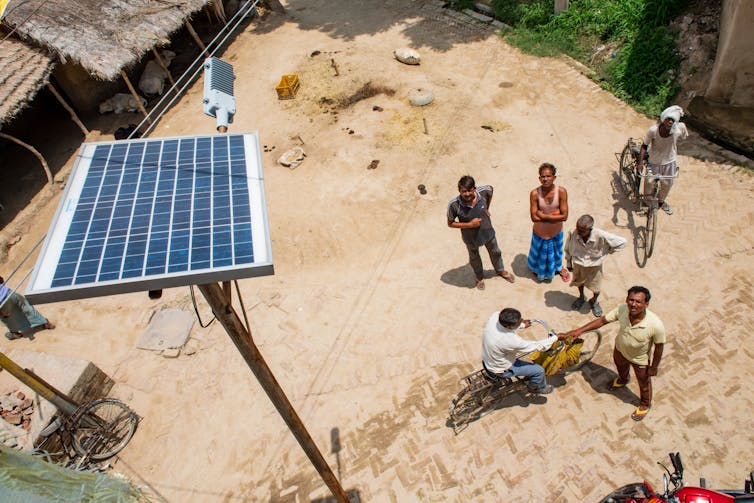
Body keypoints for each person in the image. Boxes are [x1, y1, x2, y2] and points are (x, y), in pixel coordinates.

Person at [562, 286, 664, 421]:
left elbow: (659, 347)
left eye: (638, 302)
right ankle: (623, 379)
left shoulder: (655, 324)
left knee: (644, 384)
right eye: (631, 300)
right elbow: (602, 321)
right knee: (621, 368)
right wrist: (579, 331)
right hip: (620, 350)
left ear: (646, 304)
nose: (633, 304)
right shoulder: (622, 309)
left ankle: (645, 404)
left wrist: (654, 367)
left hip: (640, 360)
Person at [447, 176, 515, 290]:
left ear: (475, 188)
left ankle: (500, 270)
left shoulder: (483, 192)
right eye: (464, 191)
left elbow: (490, 189)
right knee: (474, 257)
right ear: (459, 190)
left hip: (488, 231)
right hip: (470, 237)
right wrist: (469, 225)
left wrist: (486, 208)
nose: (467, 194)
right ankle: (479, 277)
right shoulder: (454, 205)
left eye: (470, 190)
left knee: (495, 252)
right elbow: (450, 223)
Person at [482, 308, 569, 394]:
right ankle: (537, 388)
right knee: (539, 371)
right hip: (502, 368)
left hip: (488, 358)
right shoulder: (511, 341)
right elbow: (537, 346)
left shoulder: (495, 316)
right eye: (519, 322)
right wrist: (556, 338)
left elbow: (507, 327)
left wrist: (522, 325)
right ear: (509, 326)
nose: (522, 320)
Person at [564, 215, 627, 317]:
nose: (578, 232)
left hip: (594, 267)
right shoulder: (573, 233)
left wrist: (607, 251)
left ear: (590, 229)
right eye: (578, 228)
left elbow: (622, 242)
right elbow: (567, 248)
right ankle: (581, 297)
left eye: (582, 230)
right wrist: (568, 263)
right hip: (578, 264)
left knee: (596, 287)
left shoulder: (600, 235)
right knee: (579, 282)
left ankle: (594, 301)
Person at [638, 105, 688, 215]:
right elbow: (644, 146)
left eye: (673, 120)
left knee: (668, 183)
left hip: (670, 161)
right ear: (663, 119)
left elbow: (683, 135)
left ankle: (661, 201)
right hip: (654, 161)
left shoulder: (679, 129)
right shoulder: (653, 130)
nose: (670, 122)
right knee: (649, 182)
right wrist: (640, 163)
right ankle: (647, 201)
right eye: (668, 119)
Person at [527, 163, 570, 282]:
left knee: (556, 254)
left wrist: (544, 215)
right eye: (542, 176)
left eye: (548, 176)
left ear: (554, 177)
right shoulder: (535, 193)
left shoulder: (561, 192)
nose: (545, 179)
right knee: (538, 254)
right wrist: (555, 215)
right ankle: (538, 271)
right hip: (539, 233)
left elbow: (565, 216)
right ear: (539, 178)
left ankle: (558, 268)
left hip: (556, 232)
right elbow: (534, 217)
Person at [0, 275, 55, 340]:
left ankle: (15, 333)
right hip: (9, 293)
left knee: (7, 318)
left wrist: (2, 314)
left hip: (2, 303)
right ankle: (45, 323)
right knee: (26, 307)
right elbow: (1, 280)